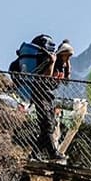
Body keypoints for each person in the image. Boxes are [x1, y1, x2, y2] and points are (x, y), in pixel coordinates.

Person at [25, 34, 66, 162]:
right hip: (39, 94)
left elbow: (55, 82)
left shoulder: (51, 60)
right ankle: (52, 153)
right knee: (47, 124)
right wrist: (51, 62)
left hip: (45, 96)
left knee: (49, 125)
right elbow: (45, 78)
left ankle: (34, 154)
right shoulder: (47, 59)